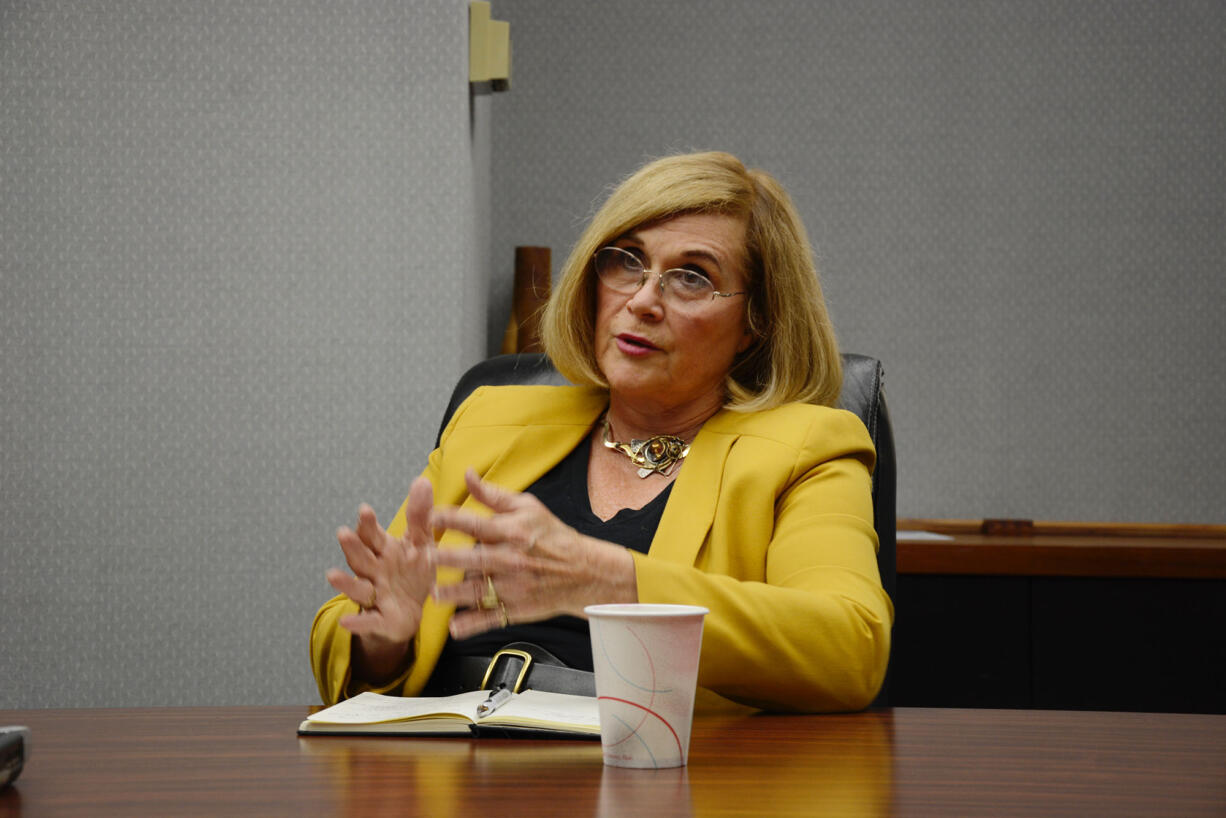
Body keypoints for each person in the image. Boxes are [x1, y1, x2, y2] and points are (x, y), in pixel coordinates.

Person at [310, 151, 893, 713]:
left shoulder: (808, 448)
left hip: (651, 782)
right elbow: (351, 630)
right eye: (626, 261)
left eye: (691, 277)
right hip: (453, 770)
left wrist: (613, 583)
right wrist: (386, 637)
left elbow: (849, 648)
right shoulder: (489, 419)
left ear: (754, 325)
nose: (641, 300)